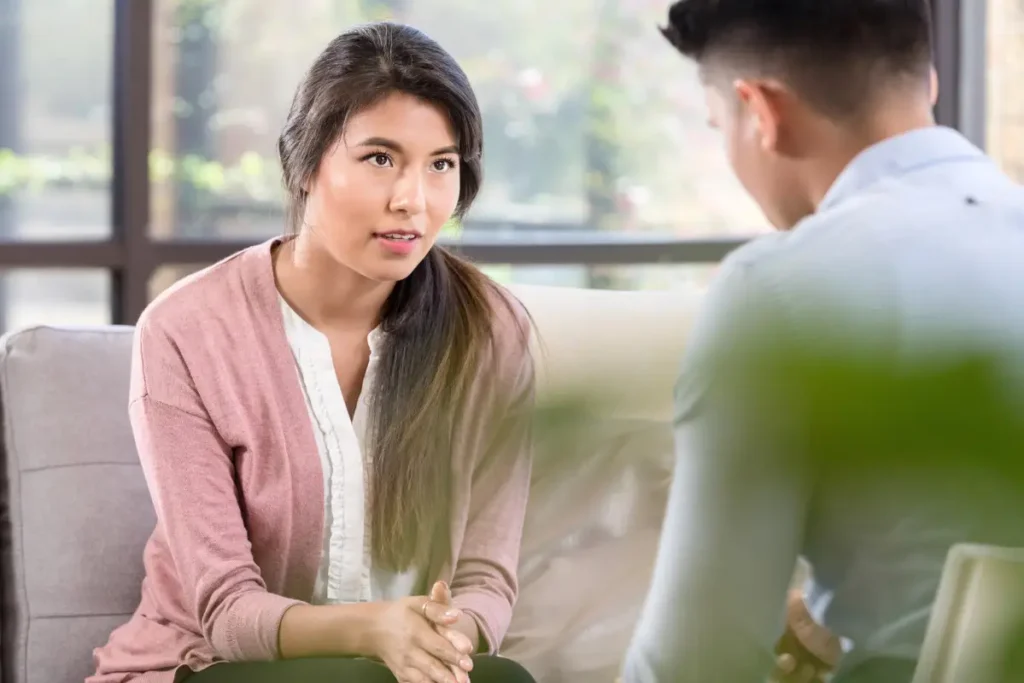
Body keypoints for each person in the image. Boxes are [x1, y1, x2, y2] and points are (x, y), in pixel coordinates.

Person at [89, 22, 537, 683]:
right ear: (304, 164)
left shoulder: (494, 330)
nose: (412, 200)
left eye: (441, 164)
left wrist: (435, 636)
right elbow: (227, 610)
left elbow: (487, 582)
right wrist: (373, 629)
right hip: (208, 667)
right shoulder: (187, 332)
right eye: (380, 157)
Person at [622, 1, 1024, 682]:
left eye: (722, 126)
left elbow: (695, 663)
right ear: (925, 82)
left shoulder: (779, 290)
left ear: (762, 112)